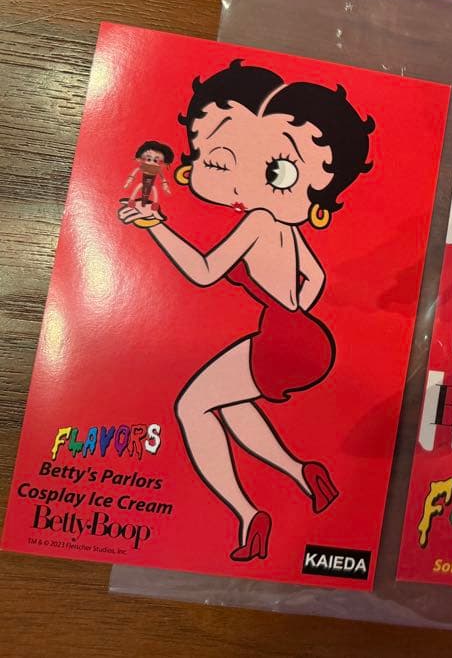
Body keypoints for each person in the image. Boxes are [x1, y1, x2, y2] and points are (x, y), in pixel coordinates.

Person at [117, 60, 375, 561]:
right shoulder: (288, 226)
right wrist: (294, 311)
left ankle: (247, 514)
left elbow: (204, 272)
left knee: (191, 407)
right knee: (230, 403)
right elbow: (316, 278)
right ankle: (305, 474)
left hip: (280, 340)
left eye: (274, 169)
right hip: (306, 337)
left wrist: (157, 227)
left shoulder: (259, 218)